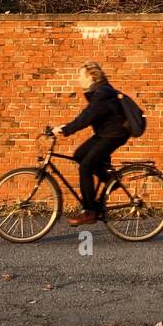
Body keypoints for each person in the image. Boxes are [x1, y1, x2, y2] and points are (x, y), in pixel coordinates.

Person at [53, 61, 130, 227]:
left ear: (92, 76)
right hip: (105, 133)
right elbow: (89, 116)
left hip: (114, 134)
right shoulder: (98, 91)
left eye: (80, 75)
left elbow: (87, 117)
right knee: (79, 155)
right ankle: (109, 180)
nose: (78, 79)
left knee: (86, 167)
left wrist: (66, 129)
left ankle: (89, 212)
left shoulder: (102, 93)